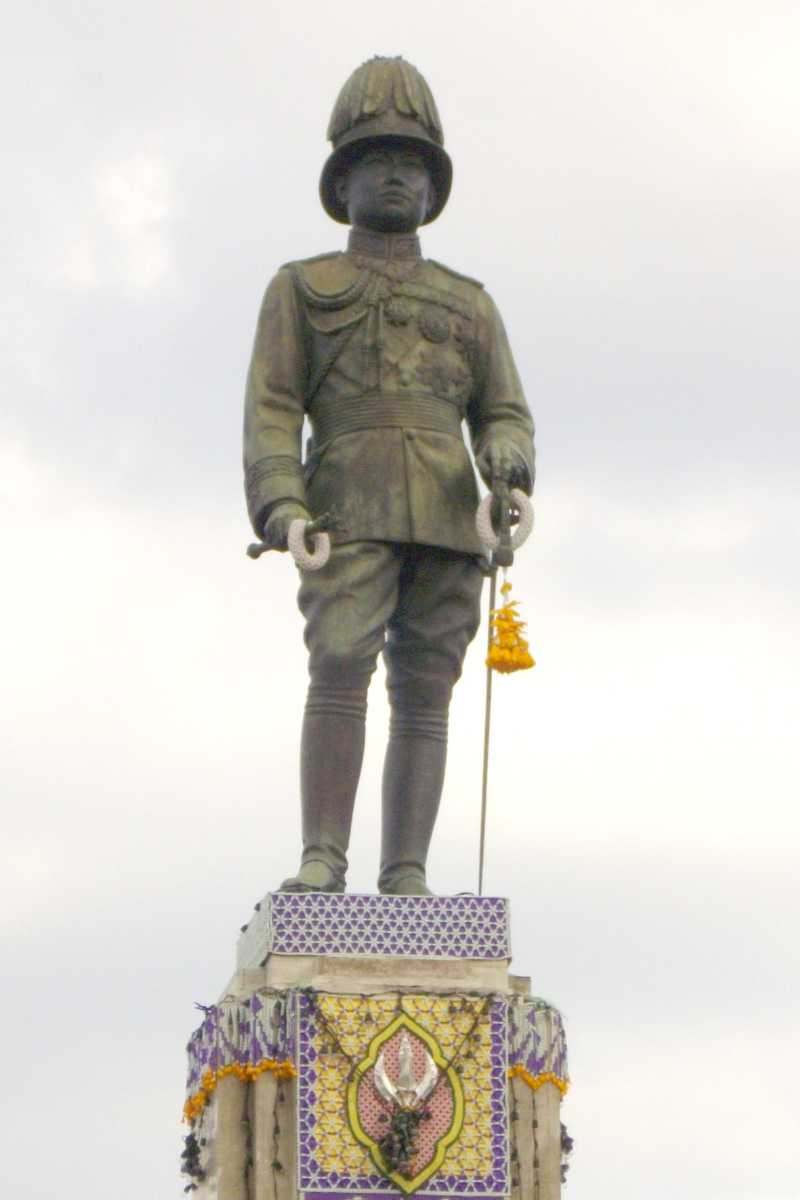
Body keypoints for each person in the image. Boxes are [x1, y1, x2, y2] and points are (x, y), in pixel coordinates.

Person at [243, 56, 534, 895]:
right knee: (339, 660)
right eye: (379, 160)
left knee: (426, 684)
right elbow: (271, 408)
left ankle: (406, 868)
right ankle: (322, 857)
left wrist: (510, 462)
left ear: (434, 185)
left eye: (413, 163)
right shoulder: (302, 287)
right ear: (345, 180)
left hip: (448, 514)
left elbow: (505, 411)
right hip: (345, 505)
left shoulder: (470, 303)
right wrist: (281, 505)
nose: (398, 176)